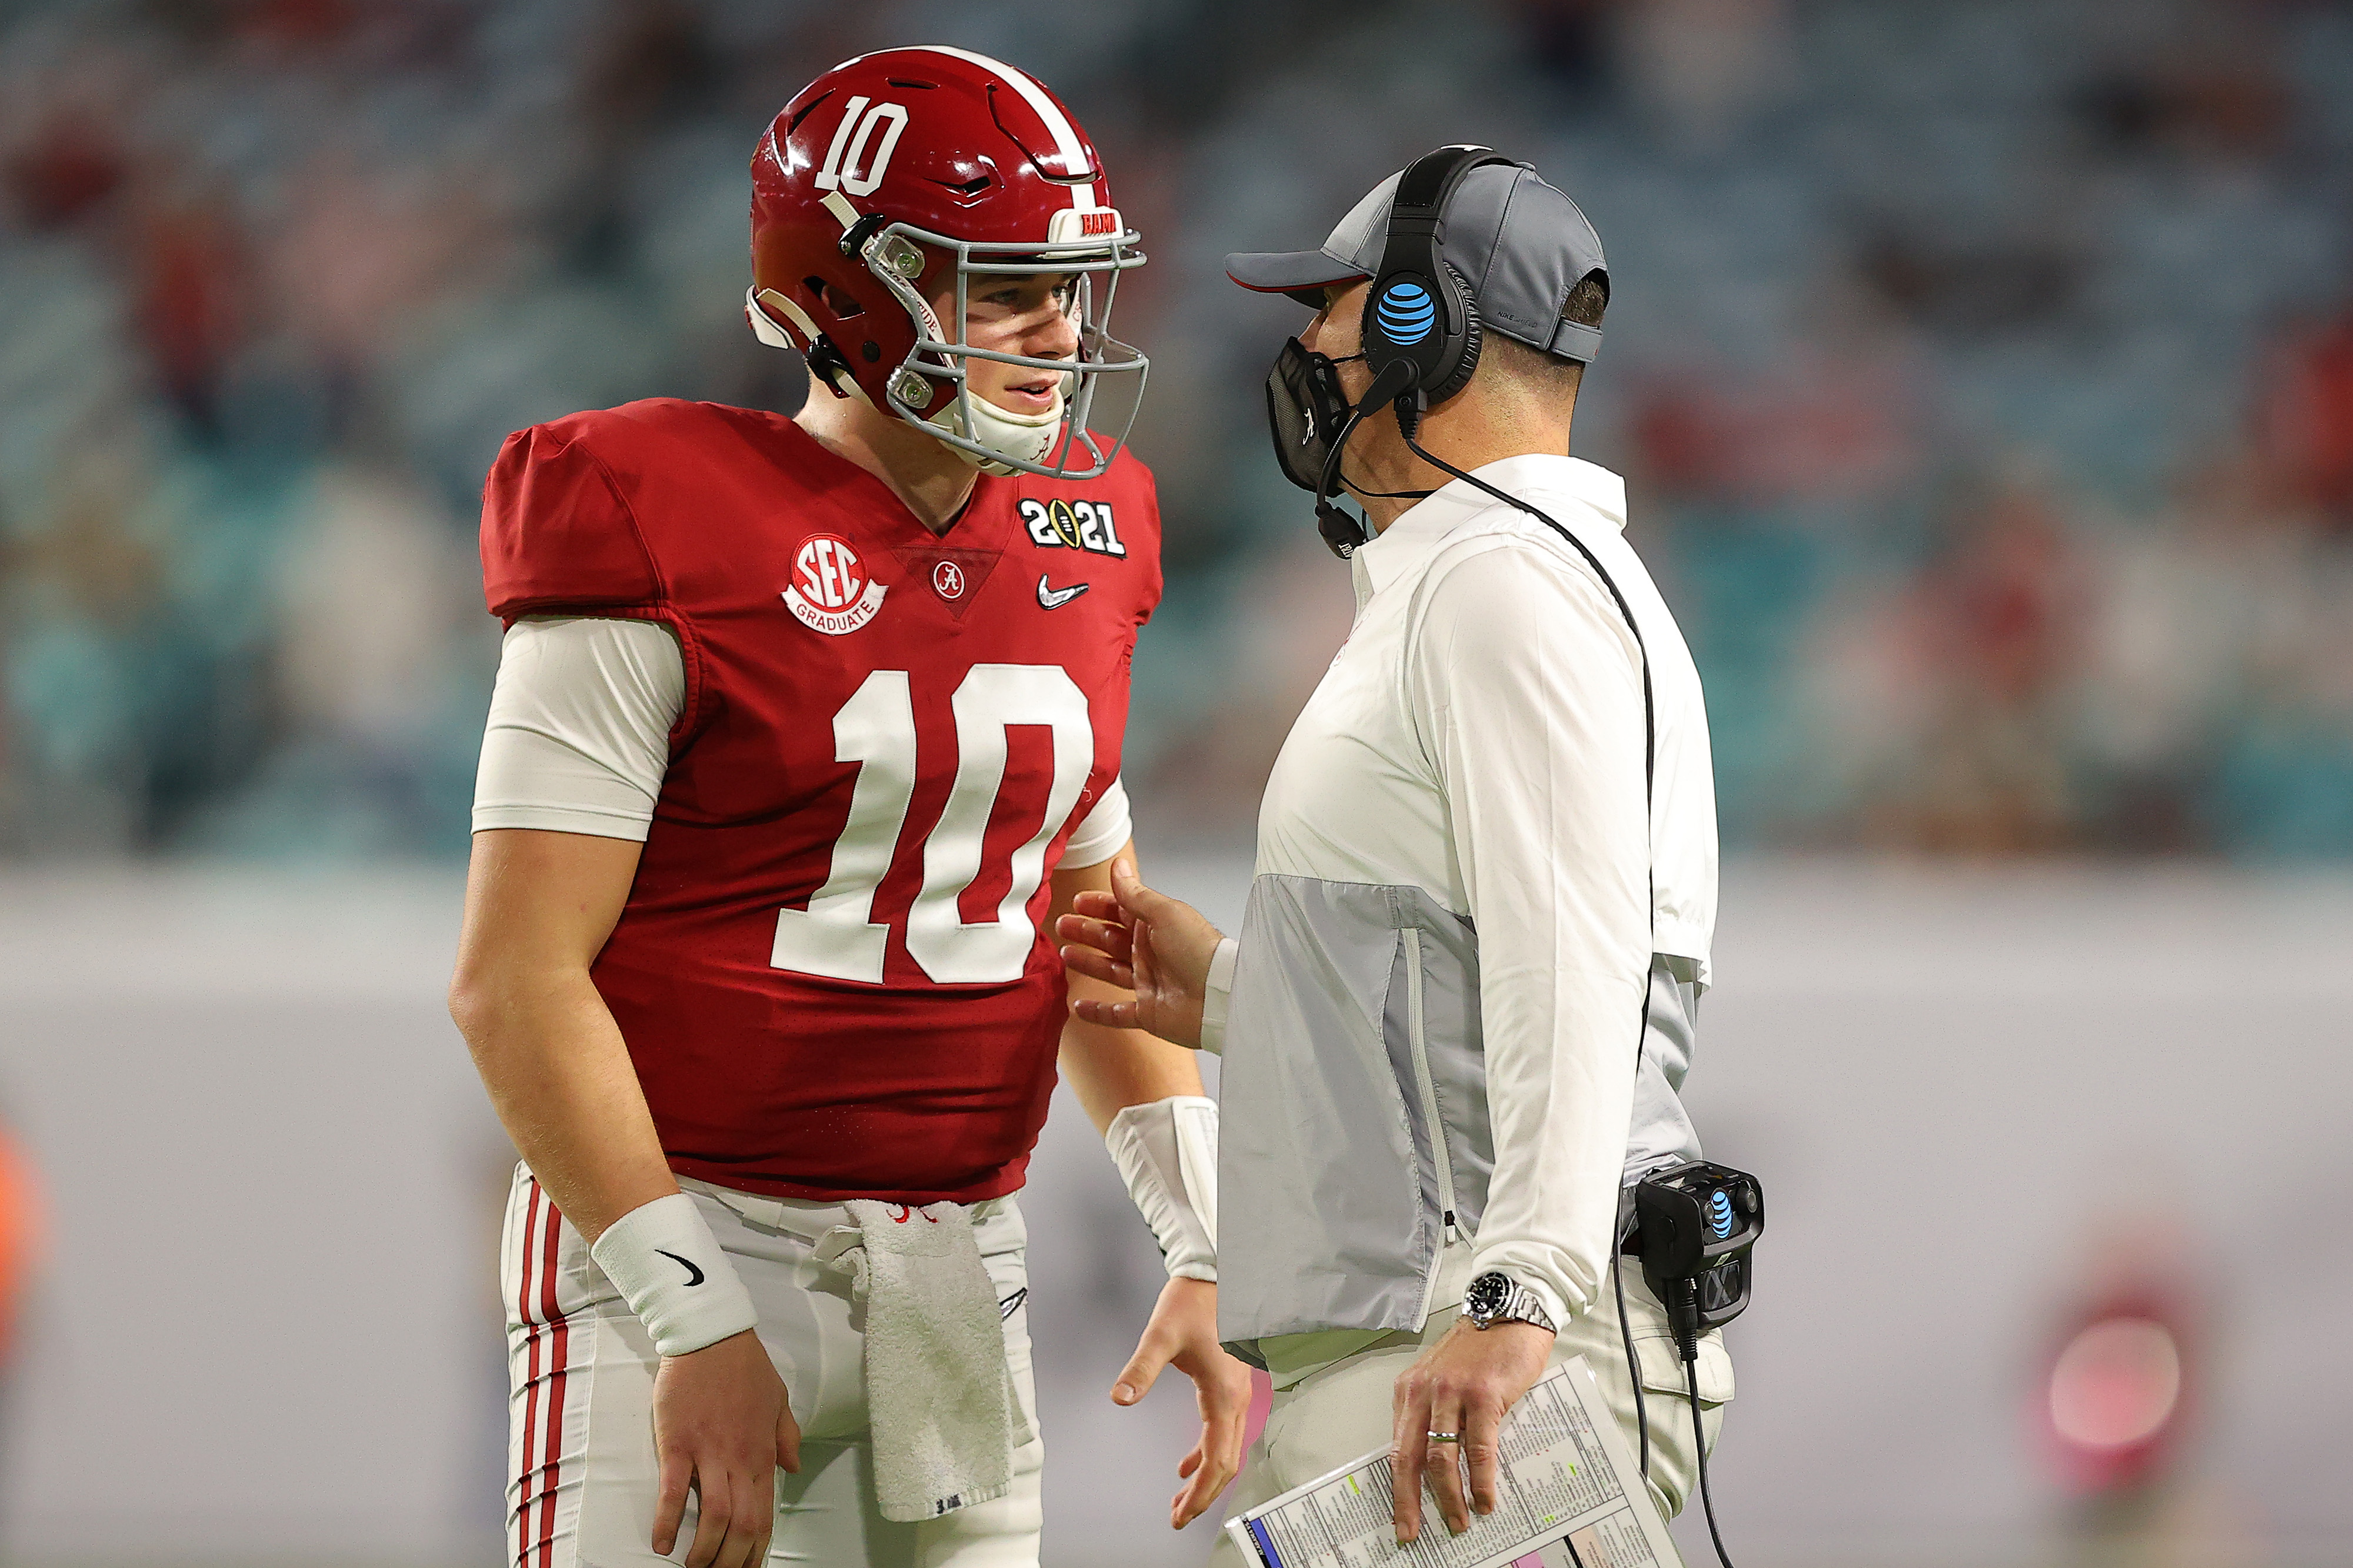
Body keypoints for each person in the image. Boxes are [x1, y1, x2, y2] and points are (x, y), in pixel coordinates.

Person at [448, 47, 1250, 1568]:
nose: (1056, 332)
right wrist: (694, 1315)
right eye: (1003, 286)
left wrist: (1204, 1236)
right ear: (851, 290)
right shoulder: (652, 511)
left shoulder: (1093, 526)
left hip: (958, 1265)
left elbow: (1099, 940)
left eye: (1069, 286)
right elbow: (514, 977)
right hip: (684, 1232)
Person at [1058, 148, 1732, 1558]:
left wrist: (1518, 1291)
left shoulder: (1498, 582)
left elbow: (1572, 955)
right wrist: (1241, 997)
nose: (1304, 346)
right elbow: (1478, 961)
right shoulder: (1492, 574)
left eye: (1334, 306)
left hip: (1467, 1339)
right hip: (1414, 1340)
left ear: (1428, 324)